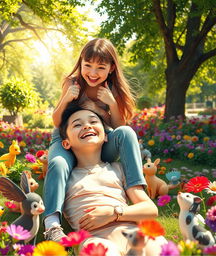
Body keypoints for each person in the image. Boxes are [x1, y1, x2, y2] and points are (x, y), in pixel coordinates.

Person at [43, 38, 145, 241]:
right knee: (59, 163)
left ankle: (138, 192)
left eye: (100, 67)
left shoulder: (112, 89)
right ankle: (52, 223)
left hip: (96, 141)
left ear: (111, 68)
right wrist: (66, 98)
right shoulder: (72, 83)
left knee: (127, 133)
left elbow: (119, 126)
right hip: (67, 138)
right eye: (87, 65)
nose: (92, 72)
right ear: (80, 63)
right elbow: (56, 121)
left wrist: (110, 105)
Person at [60, 105, 166, 256]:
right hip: (96, 239)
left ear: (105, 136)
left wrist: (113, 213)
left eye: (93, 122)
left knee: (158, 246)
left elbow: (150, 209)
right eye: (77, 124)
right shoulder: (65, 176)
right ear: (66, 143)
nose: (87, 126)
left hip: (132, 232)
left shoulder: (118, 169)